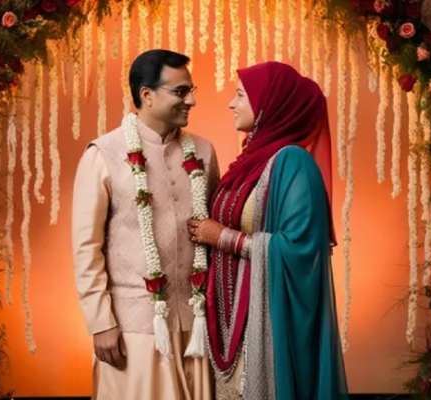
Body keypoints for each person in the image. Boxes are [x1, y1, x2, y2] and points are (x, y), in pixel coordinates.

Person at [187, 62, 348, 400]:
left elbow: (301, 249)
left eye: (241, 95)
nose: (231, 103)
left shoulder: (293, 162)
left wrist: (224, 238)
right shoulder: (250, 163)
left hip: (264, 319)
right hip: (230, 317)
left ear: (268, 105)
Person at [72, 49, 219, 400]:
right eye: (181, 91)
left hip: (197, 328)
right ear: (146, 95)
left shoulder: (203, 152)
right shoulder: (104, 154)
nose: (192, 100)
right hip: (133, 330)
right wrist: (101, 323)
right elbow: (86, 248)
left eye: (191, 90)